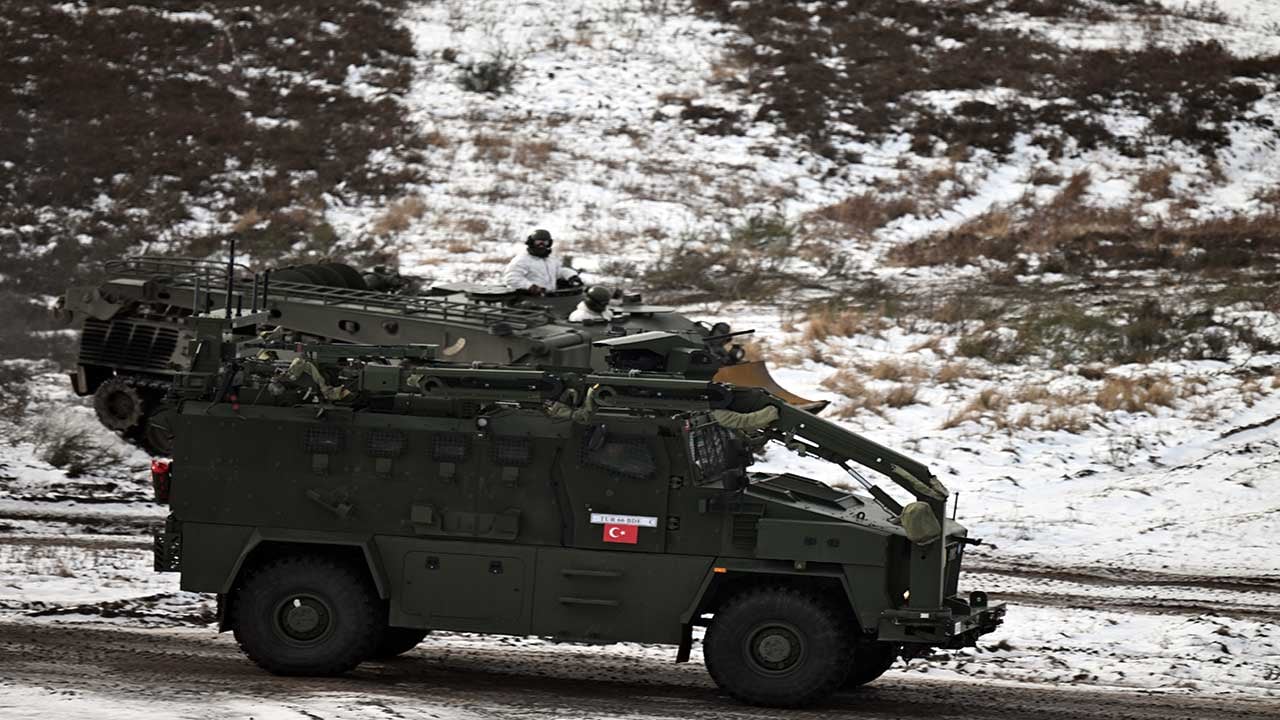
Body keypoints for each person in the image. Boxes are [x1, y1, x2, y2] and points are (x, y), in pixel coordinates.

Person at [503, 229, 581, 295]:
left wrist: (571, 276)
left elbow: (558, 271)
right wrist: (531, 287)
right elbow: (511, 278)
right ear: (531, 242)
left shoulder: (550, 259)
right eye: (538, 242)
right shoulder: (522, 259)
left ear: (549, 243)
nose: (541, 245)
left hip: (548, 296)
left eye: (545, 242)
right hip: (529, 298)